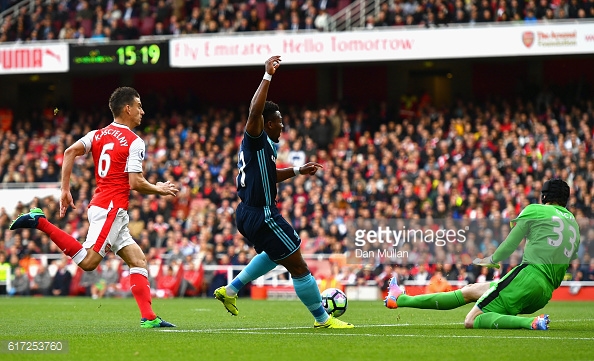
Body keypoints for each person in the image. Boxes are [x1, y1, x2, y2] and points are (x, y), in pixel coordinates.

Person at [10, 87, 179, 328]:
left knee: (138, 261)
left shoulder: (97, 134)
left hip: (106, 206)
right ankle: (40, 222)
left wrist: (64, 189)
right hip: (111, 208)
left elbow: (70, 152)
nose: (143, 111)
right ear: (127, 109)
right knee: (88, 263)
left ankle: (149, 317)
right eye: (139, 106)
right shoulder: (134, 141)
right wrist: (159, 188)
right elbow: (135, 182)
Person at [214, 55, 353, 329]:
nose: (282, 125)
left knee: (276, 254)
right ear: (267, 124)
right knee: (298, 265)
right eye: (278, 121)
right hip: (262, 213)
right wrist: (267, 76)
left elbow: (269, 176)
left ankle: (230, 290)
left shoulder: (267, 146)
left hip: (247, 213)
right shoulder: (255, 138)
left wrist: (299, 171)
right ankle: (323, 319)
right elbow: (254, 113)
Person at [385, 179, 579, 331]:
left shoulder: (536, 210)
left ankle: (530, 323)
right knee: (470, 290)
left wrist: (493, 260)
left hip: (527, 277)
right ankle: (400, 299)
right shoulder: (576, 226)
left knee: (471, 320)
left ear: (544, 196)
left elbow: (511, 243)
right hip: (545, 293)